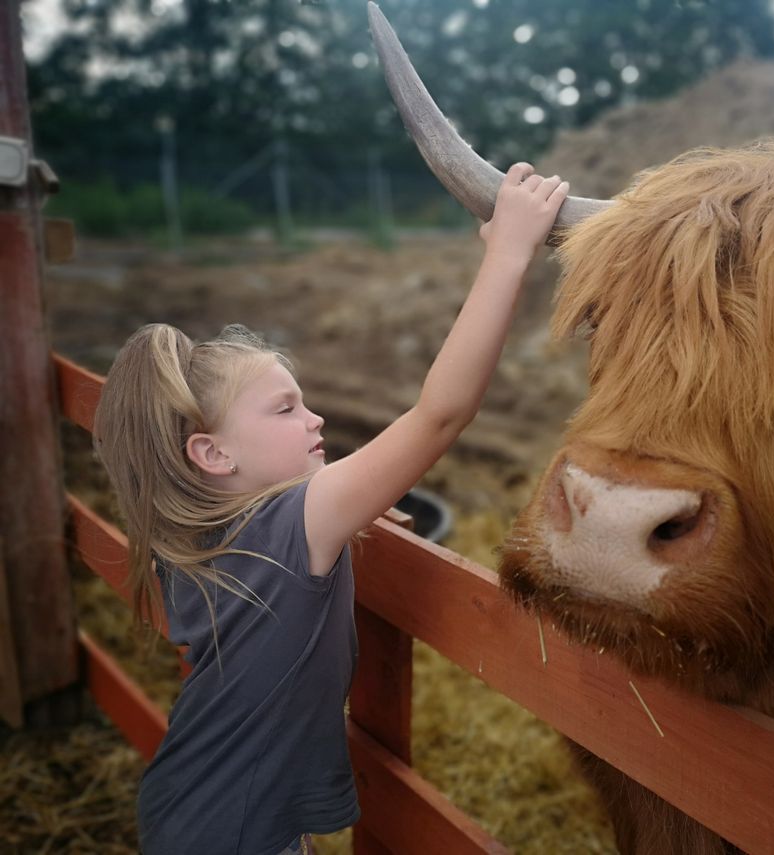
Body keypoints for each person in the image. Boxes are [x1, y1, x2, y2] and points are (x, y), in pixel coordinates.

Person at [92, 163, 569, 855]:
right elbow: (440, 415)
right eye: (285, 408)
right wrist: (509, 253)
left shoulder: (186, 529)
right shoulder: (290, 525)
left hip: (192, 810)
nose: (315, 418)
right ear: (213, 456)